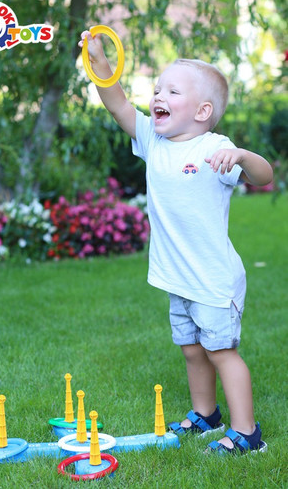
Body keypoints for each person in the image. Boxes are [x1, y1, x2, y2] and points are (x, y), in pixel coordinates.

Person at [78, 30, 273, 454]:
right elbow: (116, 103)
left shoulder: (215, 148)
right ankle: (206, 414)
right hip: (177, 276)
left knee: (222, 352)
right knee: (191, 349)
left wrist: (241, 156)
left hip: (213, 278)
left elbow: (265, 175)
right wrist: (97, 59)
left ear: (203, 111)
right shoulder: (154, 139)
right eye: (158, 88)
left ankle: (247, 433)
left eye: (172, 90)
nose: (158, 95)